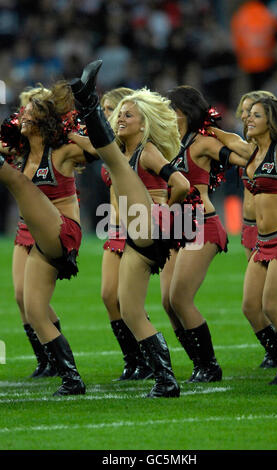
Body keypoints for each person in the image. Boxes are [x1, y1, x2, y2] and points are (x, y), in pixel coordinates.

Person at [69, 60, 197, 397]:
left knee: (113, 158)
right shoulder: (128, 153)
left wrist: (164, 215)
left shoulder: (147, 150)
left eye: (128, 114)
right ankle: (165, 380)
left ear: (144, 125)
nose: (122, 118)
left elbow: (182, 183)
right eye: (119, 113)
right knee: (129, 309)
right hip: (131, 233)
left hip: (146, 224)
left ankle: (87, 101)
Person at [0, 80, 99, 396]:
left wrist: (70, 131)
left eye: (27, 116)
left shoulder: (63, 152)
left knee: (15, 180)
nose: (20, 120)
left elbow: (101, 150)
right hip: (33, 234)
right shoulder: (22, 151)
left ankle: (69, 377)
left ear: (43, 121)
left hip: (62, 233)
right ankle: (69, 378)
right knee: (31, 308)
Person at [158, 85, 248, 383]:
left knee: (180, 297)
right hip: (174, 228)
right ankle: (199, 363)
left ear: (181, 112)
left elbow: (245, 155)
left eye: (168, 108)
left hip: (201, 222)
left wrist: (217, 132)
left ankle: (210, 366)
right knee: (168, 303)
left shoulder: (202, 143)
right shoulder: (168, 143)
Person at [211, 96, 277, 384]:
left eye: (257, 116)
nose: (248, 118)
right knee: (251, 306)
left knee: (273, 305)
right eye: (248, 115)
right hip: (262, 240)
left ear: (271, 122)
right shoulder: (251, 152)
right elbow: (219, 134)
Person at [7, 86, 62, 379]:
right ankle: (45, 359)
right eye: (22, 110)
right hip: (23, 228)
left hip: (48, 231)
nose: (21, 116)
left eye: (29, 110)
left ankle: (56, 358)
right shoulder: (19, 148)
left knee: (33, 301)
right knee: (19, 295)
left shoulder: (56, 150)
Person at [100, 86, 153, 381]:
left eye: (115, 110)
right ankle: (133, 360)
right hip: (114, 227)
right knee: (109, 296)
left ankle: (147, 360)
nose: (110, 116)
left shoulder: (143, 147)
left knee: (129, 301)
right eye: (108, 111)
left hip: (136, 229)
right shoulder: (114, 147)